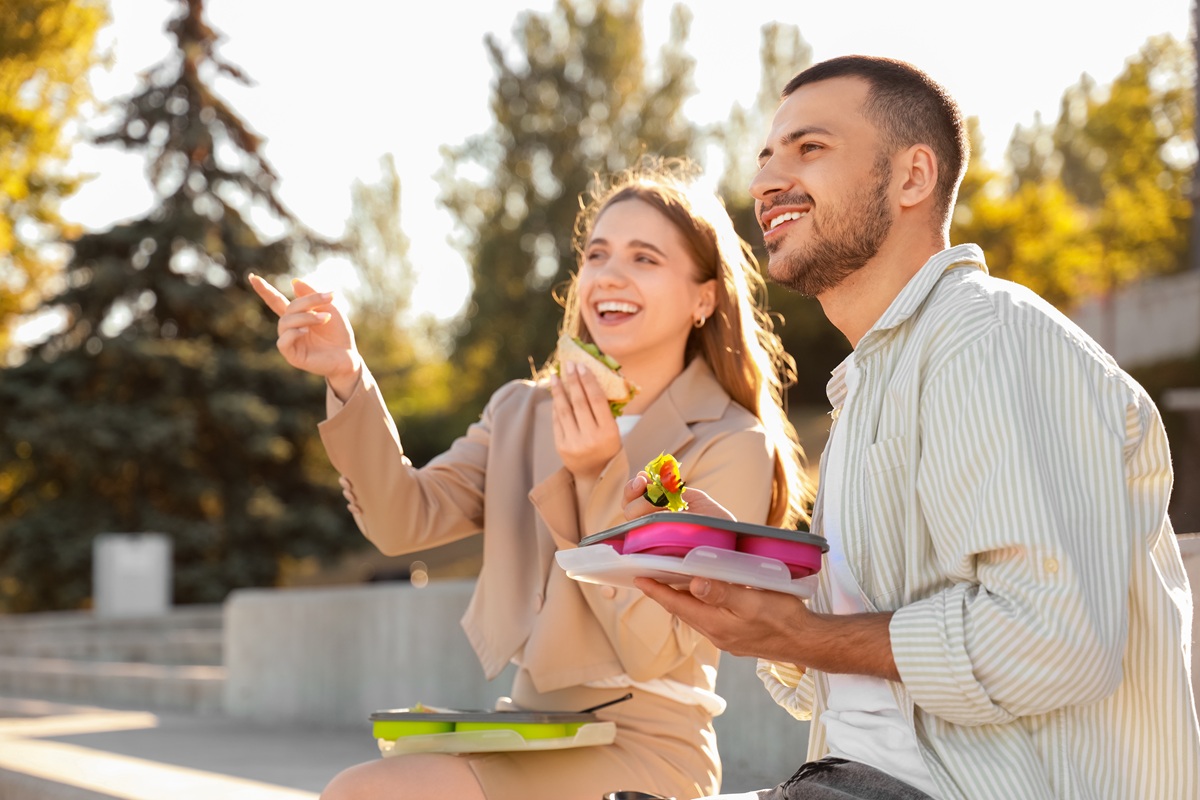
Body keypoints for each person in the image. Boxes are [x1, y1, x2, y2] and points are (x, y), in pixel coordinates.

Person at [625, 56, 1200, 800]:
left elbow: (1056, 642)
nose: (767, 182)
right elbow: (856, 672)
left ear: (912, 177)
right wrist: (743, 569)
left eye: (810, 148)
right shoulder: (870, 386)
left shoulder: (987, 337)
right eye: (765, 157)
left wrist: (802, 636)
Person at [249, 161, 812, 800]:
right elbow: (403, 519)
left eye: (644, 258)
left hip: (649, 748)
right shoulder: (523, 411)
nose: (609, 274)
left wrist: (600, 473)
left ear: (704, 297)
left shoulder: (731, 441)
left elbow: (655, 649)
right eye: (597, 254)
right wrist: (347, 377)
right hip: (529, 729)